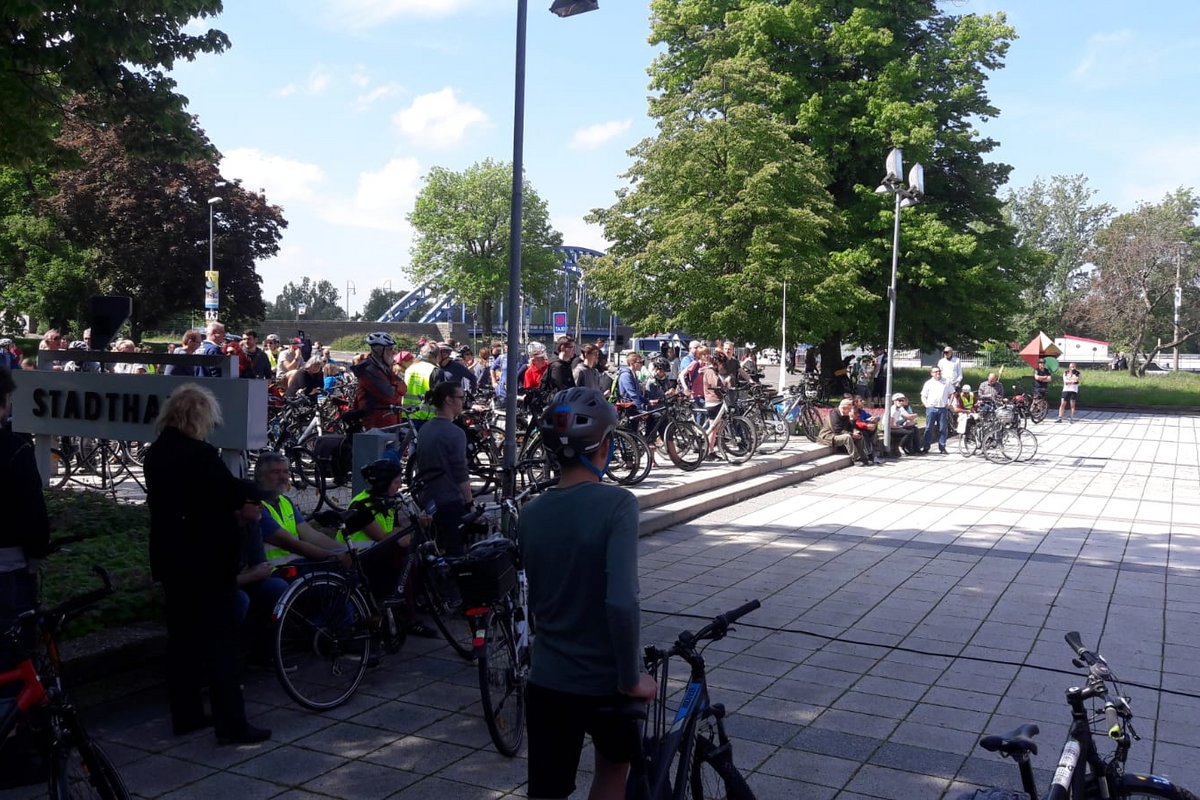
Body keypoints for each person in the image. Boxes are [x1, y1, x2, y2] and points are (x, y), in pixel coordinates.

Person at [519, 387, 656, 800]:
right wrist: (631, 679)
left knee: (548, 791)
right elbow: (622, 600)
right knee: (612, 775)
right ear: (606, 446)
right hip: (606, 680)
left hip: (548, 676)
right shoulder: (618, 504)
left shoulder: (530, 512)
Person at [143, 383, 270, 744]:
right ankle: (232, 724)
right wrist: (256, 495)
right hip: (206, 560)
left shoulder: (156, 453)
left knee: (182, 640)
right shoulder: (199, 454)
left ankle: (186, 714)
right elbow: (226, 491)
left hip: (171, 557)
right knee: (220, 644)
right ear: (198, 419)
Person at [345, 459, 436, 638]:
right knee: (403, 559)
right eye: (396, 482)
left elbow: (397, 532)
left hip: (378, 552)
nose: (400, 485)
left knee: (414, 555)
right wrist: (406, 533)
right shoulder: (361, 505)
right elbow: (384, 537)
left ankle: (416, 603)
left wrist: (409, 530)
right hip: (358, 558)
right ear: (383, 483)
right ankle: (409, 619)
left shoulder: (386, 501)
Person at [412, 382, 472, 556]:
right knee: (455, 554)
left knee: (435, 551)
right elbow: (460, 472)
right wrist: (470, 503)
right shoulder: (455, 433)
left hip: (428, 499)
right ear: (448, 400)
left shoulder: (425, 429)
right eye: (461, 397)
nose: (463, 402)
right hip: (449, 500)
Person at [254, 452, 348, 564]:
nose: (283, 477)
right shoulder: (255, 506)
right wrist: (333, 557)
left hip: (293, 566)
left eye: (286, 472)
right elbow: (289, 544)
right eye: (275, 472)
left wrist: (345, 552)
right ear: (260, 476)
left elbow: (311, 535)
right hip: (271, 570)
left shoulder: (285, 502)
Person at [232, 479, 289, 660]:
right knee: (239, 599)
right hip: (219, 588)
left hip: (240, 580)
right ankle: (228, 656)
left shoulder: (252, 524)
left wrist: (252, 574)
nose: (261, 506)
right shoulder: (221, 531)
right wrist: (251, 575)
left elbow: (260, 564)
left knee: (277, 586)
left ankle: (264, 651)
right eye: (256, 502)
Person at [352, 332, 407, 429]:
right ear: (379, 351)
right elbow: (390, 397)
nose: (393, 352)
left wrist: (395, 388)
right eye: (390, 349)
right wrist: (397, 388)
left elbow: (404, 388)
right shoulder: (368, 370)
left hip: (389, 421)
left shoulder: (384, 367)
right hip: (375, 424)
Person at [819, 397, 869, 466]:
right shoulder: (834, 414)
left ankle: (864, 458)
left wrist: (854, 430)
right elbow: (837, 430)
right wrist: (852, 434)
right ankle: (856, 459)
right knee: (847, 437)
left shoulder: (845, 414)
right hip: (829, 436)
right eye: (849, 409)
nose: (850, 411)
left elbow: (850, 427)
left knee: (859, 436)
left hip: (839, 434)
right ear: (844, 408)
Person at [402, 342, 441, 425]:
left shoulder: (410, 368)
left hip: (407, 415)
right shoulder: (435, 370)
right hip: (426, 417)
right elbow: (439, 395)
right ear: (437, 356)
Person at [920, 366, 951, 453]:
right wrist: (926, 405)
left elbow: (952, 393)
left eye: (939, 371)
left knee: (942, 429)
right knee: (929, 428)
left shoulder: (946, 382)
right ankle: (926, 447)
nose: (938, 373)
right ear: (931, 373)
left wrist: (949, 403)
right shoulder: (928, 383)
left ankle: (942, 447)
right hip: (931, 408)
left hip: (942, 408)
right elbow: (923, 395)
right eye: (935, 372)